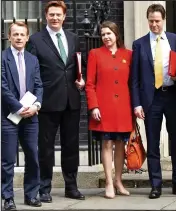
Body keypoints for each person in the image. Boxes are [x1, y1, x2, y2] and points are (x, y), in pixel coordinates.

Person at [27, 1, 85, 202]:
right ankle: (44, 188)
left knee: (71, 146)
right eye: (51, 14)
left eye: (58, 14)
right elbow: (31, 72)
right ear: (46, 16)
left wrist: (81, 79)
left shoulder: (74, 38)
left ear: (64, 16)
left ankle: (71, 186)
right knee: (46, 148)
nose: (55, 18)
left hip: (71, 101)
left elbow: (79, 66)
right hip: (48, 102)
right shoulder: (35, 40)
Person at [130, 3, 176, 199]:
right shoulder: (139, 44)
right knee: (153, 143)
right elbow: (135, 78)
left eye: (157, 21)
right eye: (151, 21)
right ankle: (155, 185)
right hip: (151, 98)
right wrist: (137, 104)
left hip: (172, 95)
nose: (154, 24)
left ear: (163, 20)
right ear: (147, 21)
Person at [85, 21, 132, 199]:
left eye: (109, 33)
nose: (106, 37)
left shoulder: (128, 54)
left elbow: (132, 83)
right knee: (106, 144)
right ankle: (109, 182)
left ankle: (119, 180)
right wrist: (93, 106)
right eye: (103, 34)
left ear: (116, 35)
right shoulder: (95, 54)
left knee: (121, 145)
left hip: (123, 107)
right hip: (103, 107)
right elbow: (90, 84)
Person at [1, 22, 43, 211]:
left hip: (31, 117)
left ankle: (31, 195)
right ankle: (8, 197)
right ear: (9, 37)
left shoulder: (33, 59)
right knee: (8, 159)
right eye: (15, 34)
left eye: (22, 34)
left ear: (27, 37)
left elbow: (39, 85)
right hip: (9, 116)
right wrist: (19, 108)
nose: (19, 38)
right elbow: (2, 87)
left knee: (33, 157)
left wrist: (35, 106)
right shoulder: (2, 58)